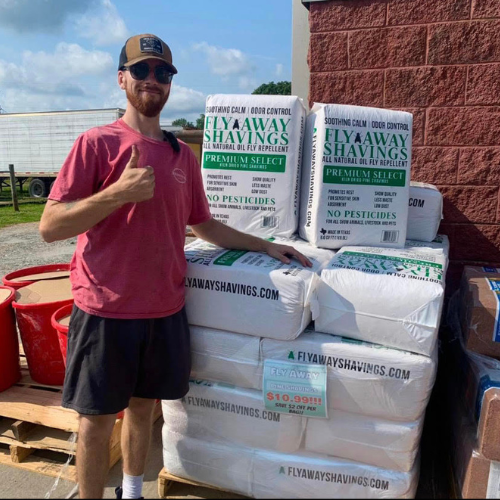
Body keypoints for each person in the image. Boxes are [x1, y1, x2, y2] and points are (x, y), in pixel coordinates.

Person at [39, 34, 311, 499]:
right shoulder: (96, 144)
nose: (152, 80)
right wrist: (117, 193)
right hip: (106, 310)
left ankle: (131, 491)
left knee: (144, 409)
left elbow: (203, 225)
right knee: (96, 422)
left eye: (162, 73)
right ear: (121, 78)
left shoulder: (183, 155)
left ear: (170, 85)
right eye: (141, 71)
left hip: (164, 310)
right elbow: (50, 226)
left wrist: (265, 246)